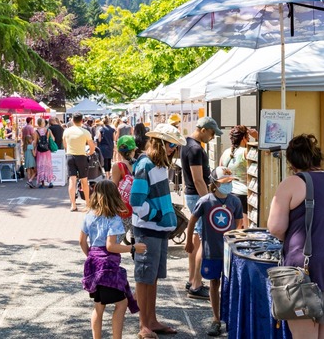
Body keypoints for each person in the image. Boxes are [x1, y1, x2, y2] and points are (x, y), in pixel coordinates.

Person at [267, 134, 324, 339]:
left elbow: (275, 227)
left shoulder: (292, 183)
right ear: (319, 159)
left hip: (306, 269)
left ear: (292, 164)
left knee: (304, 336)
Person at [129, 123, 185, 338]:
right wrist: (158, 214)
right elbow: (136, 202)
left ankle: (150, 320)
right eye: (171, 144)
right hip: (148, 229)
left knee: (151, 277)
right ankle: (144, 325)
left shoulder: (158, 164)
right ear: (160, 143)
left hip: (157, 229)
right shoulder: (146, 164)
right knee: (144, 278)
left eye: (175, 145)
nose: (173, 149)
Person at [80, 180, 146, 339]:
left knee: (98, 307)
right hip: (108, 267)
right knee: (122, 304)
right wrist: (133, 247)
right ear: (114, 196)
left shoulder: (89, 215)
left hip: (94, 265)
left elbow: (82, 241)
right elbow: (111, 246)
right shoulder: (113, 218)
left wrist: (91, 255)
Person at [184, 167, 243, 336]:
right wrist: (188, 241)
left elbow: (238, 225)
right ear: (215, 184)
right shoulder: (205, 201)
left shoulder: (235, 202)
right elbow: (192, 220)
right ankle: (216, 319)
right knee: (214, 283)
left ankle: (231, 318)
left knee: (230, 285)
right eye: (225, 183)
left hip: (229, 252)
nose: (229, 186)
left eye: (230, 182)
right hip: (212, 251)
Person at [180, 116, 223, 300]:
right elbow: (198, 179)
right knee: (201, 242)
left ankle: (193, 280)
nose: (213, 137)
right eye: (212, 133)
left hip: (192, 194)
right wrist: (209, 200)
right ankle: (196, 284)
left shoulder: (187, 144)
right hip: (197, 194)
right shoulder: (196, 148)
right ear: (204, 129)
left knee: (197, 240)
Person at [63, 112, 96, 211]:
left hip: (70, 156)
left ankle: (73, 204)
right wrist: (88, 153)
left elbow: (65, 144)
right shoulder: (85, 132)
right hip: (81, 156)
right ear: (82, 120)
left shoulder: (67, 131)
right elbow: (92, 147)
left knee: (72, 181)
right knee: (84, 181)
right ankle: (87, 204)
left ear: (72, 120)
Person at [219, 125, 250, 222]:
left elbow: (220, 171)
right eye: (248, 137)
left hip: (228, 192)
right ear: (244, 138)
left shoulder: (225, 152)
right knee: (243, 228)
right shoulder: (245, 152)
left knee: (231, 224)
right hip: (243, 194)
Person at [112, 135, 137, 241]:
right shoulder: (139, 163)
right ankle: (135, 255)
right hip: (138, 208)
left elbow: (114, 187)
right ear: (134, 150)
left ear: (119, 151)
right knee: (135, 238)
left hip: (124, 209)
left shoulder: (118, 166)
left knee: (115, 241)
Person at [34, 118, 54, 188]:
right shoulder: (48, 130)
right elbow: (53, 139)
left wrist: (34, 150)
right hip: (47, 150)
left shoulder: (36, 132)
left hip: (40, 151)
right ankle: (50, 181)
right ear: (43, 123)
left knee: (41, 166)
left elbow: (35, 142)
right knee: (48, 165)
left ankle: (42, 183)